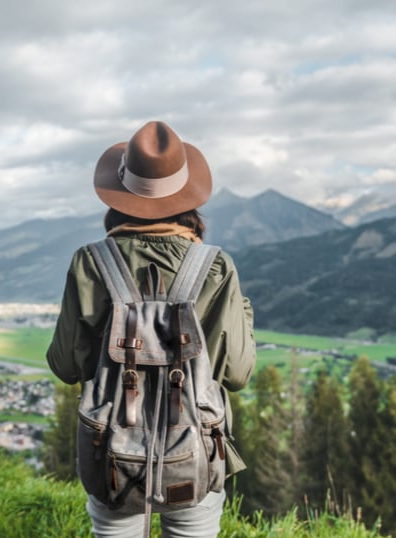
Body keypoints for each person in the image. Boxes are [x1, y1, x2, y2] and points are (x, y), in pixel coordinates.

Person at [46, 120, 256, 537]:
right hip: (197, 447)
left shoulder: (90, 262)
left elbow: (66, 365)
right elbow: (238, 372)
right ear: (188, 197)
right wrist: (242, 312)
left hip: (112, 453)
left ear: (119, 195)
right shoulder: (215, 266)